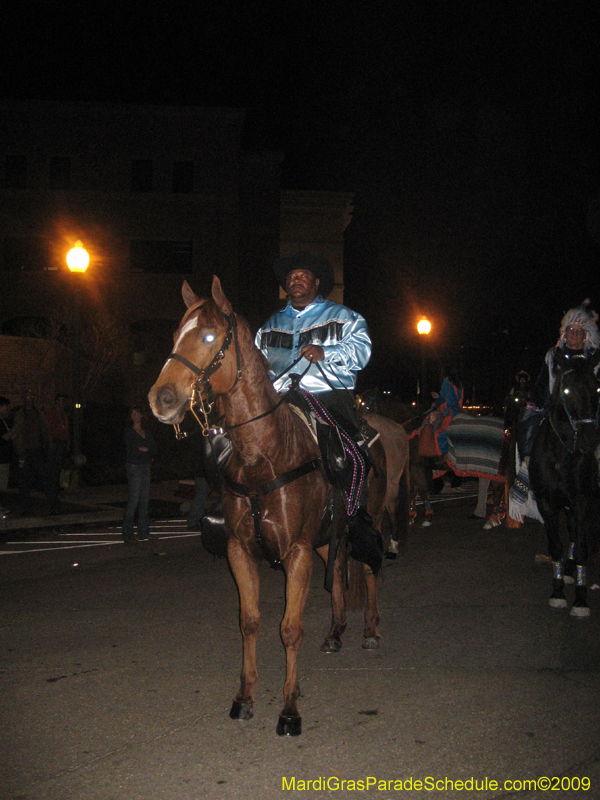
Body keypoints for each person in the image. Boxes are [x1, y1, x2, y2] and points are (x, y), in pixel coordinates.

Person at [255, 252, 380, 566]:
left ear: (317, 282)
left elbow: (362, 352)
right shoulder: (271, 325)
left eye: (303, 275)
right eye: (291, 277)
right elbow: (256, 364)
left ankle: (356, 519)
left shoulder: (344, 316)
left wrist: (327, 351)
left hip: (327, 396)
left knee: (352, 454)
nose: (295, 280)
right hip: (280, 399)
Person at [511, 300, 600, 504]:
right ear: (564, 332)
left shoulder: (594, 358)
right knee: (526, 424)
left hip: (587, 411)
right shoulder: (552, 356)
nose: (574, 335)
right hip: (556, 408)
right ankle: (527, 468)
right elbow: (542, 384)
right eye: (571, 330)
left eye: (579, 331)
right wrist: (533, 404)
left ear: (585, 334)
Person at [11, 390, 60, 516]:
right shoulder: (20, 415)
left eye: (31, 397)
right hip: (25, 451)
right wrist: (20, 452)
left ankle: (54, 506)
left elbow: (45, 430)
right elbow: (17, 434)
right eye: (27, 397)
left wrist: (47, 444)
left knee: (44, 479)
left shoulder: (39, 414)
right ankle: (25, 508)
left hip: (37, 450)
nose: (29, 399)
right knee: (24, 481)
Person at [122, 406, 158, 543]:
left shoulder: (146, 431)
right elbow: (131, 451)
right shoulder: (129, 432)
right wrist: (142, 450)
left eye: (136, 413)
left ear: (142, 415)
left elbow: (154, 449)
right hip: (134, 467)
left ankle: (143, 532)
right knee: (134, 500)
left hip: (146, 466)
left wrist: (146, 450)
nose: (134, 416)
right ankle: (128, 534)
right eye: (132, 413)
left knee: (144, 501)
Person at [46, 394, 70, 498]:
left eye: (63, 400)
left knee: (58, 464)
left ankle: (55, 484)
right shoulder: (52, 413)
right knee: (52, 463)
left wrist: (67, 441)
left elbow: (66, 428)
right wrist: (50, 441)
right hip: (55, 440)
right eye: (60, 400)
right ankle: (50, 485)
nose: (62, 402)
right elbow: (49, 427)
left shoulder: (64, 413)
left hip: (61, 440)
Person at [0, 397, 13, 518]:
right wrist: (16, 429)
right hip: (1, 458)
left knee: (3, 485)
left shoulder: (3, 421)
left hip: (5, 457)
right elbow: (5, 437)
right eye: (6, 406)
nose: (8, 409)